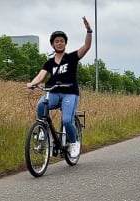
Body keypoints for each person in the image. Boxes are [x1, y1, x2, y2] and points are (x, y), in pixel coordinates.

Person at [27, 17, 92, 157]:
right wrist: (32, 83)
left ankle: (74, 143)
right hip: (54, 93)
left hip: (70, 93)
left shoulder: (72, 58)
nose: (59, 43)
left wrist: (89, 30)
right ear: (53, 44)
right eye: (56, 41)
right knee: (40, 105)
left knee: (67, 120)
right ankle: (44, 132)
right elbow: (40, 76)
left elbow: (86, 47)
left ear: (65, 43)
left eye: (62, 41)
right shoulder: (49, 63)